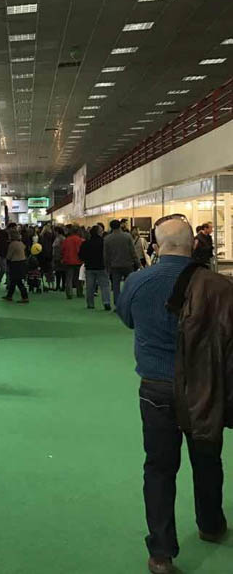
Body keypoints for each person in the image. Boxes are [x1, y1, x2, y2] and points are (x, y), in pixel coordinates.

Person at [116, 217, 229, 574]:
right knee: (207, 460)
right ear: (193, 245)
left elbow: (127, 319)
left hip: (156, 388)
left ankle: (161, 553)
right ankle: (210, 524)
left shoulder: (138, 281)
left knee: (159, 469)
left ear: (155, 245)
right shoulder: (218, 285)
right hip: (204, 388)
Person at [104, 219, 138, 306]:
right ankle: (129, 302)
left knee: (116, 286)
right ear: (120, 226)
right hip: (128, 264)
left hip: (115, 266)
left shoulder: (107, 239)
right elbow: (133, 251)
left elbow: (106, 255)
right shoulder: (127, 236)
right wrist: (138, 263)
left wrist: (107, 267)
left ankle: (117, 304)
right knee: (129, 285)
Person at [80, 225, 111, 310]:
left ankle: (90, 304)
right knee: (105, 286)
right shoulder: (103, 242)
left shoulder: (86, 243)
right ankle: (106, 302)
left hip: (89, 267)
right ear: (99, 232)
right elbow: (108, 254)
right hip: (101, 266)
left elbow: (81, 255)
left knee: (90, 286)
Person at [3, 229, 29, 303]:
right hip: (22, 263)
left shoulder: (12, 244)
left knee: (17, 281)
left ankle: (25, 297)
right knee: (14, 281)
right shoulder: (21, 243)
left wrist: (7, 262)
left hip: (15, 264)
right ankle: (9, 296)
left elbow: (9, 256)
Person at [61, 225, 84, 299]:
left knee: (69, 278)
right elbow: (81, 251)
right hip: (78, 261)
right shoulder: (80, 240)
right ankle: (79, 293)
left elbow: (63, 250)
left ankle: (69, 294)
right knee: (79, 278)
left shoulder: (67, 240)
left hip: (68, 261)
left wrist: (63, 259)